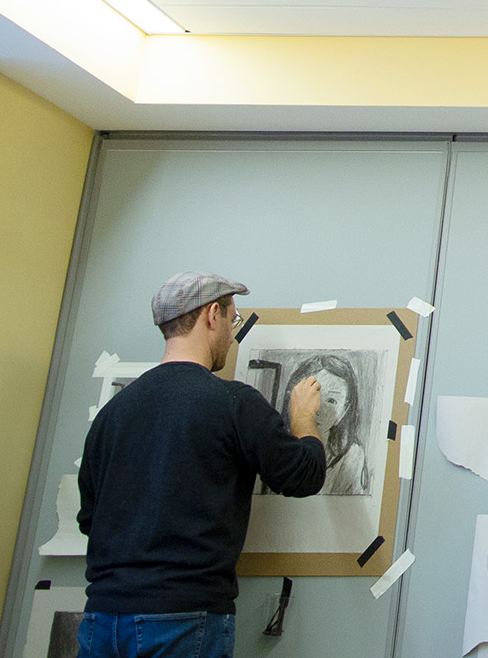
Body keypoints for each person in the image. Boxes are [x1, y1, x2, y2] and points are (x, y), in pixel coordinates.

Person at [77, 272, 329, 658]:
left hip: (101, 619)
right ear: (214, 314)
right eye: (233, 321)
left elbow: (89, 519)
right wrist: (304, 420)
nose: (232, 334)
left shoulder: (113, 412)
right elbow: (304, 474)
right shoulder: (232, 403)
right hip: (182, 619)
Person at [279, 352, 369, 495]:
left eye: (332, 401)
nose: (318, 407)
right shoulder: (273, 446)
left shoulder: (351, 456)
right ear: (292, 395)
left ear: (344, 411)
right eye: (313, 394)